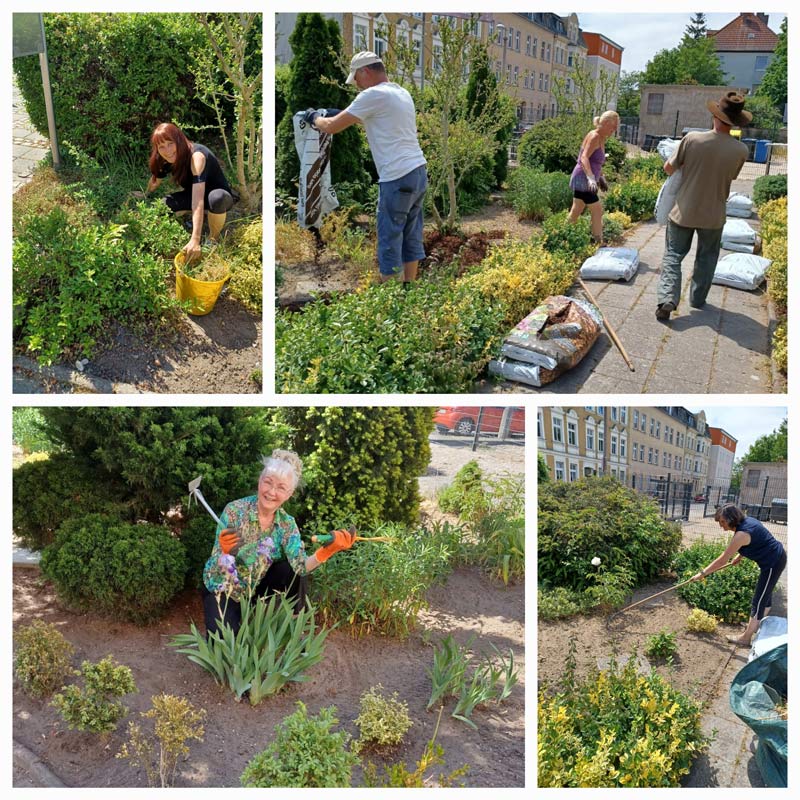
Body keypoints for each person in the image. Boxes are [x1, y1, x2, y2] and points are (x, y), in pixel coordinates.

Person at [201, 449, 355, 637]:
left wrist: (326, 552)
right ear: (260, 482)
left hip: (257, 583)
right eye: (268, 482)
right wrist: (226, 554)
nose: (272, 492)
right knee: (223, 641)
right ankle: (232, 618)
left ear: (289, 494)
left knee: (290, 570)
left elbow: (301, 567)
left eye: (281, 487)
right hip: (225, 585)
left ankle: (295, 624)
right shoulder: (235, 511)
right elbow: (218, 563)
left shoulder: (286, 524)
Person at [305, 51, 428, 283]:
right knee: (411, 235)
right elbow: (368, 118)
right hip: (418, 173)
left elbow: (330, 127)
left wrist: (313, 118)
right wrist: (339, 113)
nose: (356, 86)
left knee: (389, 239)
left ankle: (390, 304)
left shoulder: (373, 94)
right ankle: (410, 291)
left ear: (366, 72)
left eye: (356, 79)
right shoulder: (401, 93)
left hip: (397, 177)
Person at [655, 92, 750, 321]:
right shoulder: (741, 151)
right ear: (736, 121)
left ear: (714, 116)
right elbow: (731, 176)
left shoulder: (692, 139)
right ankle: (697, 299)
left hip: (684, 211)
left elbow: (669, 168)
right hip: (714, 214)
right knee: (707, 257)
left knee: (673, 255)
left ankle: (667, 299)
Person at [690, 503, 786, 647]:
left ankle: (745, 638)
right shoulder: (747, 522)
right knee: (765, 598)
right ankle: (755, 625)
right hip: (774, 559)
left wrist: (702, 573)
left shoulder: (741, 534)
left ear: (731, 518)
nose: (720, 525)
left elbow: (722, 560)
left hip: (773, 563)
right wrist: (739, 556)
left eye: (722, 521)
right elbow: (756, 541)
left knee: (758, 601)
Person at [146, 122, 236, 263]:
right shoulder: (163, 158)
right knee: (162, 206)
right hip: (193, 194)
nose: (167, 150)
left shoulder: (197, 157)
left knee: (217, 198)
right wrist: (145, 194)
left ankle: (213, 239)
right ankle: (199, 216)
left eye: (170, 143)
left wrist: (195, 239)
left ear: (179, 140)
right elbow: (156, 180)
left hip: (217, 196)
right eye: (161, 146)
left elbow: (198, 201)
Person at [567, 110, 619, 244]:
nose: (614, 130)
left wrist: (600, 177)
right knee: (597, 211)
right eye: (613, 127)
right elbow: (584, 158)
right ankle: (598, 243)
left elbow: (596, 161)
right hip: (583, 179)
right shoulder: (594, 136)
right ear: (606, 123)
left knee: (576, 210)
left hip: (586, 179)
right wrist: (590, 178)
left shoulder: (601, 138)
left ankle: (562, 235)